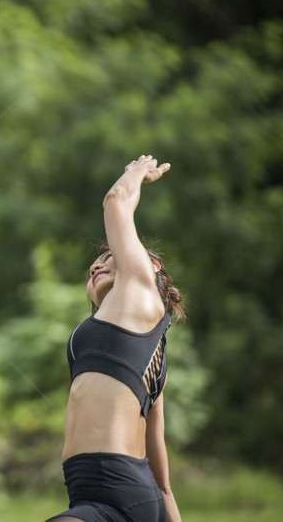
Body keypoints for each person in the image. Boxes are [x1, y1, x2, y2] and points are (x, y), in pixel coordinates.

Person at [48, 155, 184, 522]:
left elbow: (115, 202)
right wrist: (169, 508)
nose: (95, 265)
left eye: (107, 257)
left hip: (117, 484)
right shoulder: (128, 339)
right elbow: (158, 461)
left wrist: (136, 171)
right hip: (92, 490)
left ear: (149, 265)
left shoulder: (140, 293)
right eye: (93, 265)